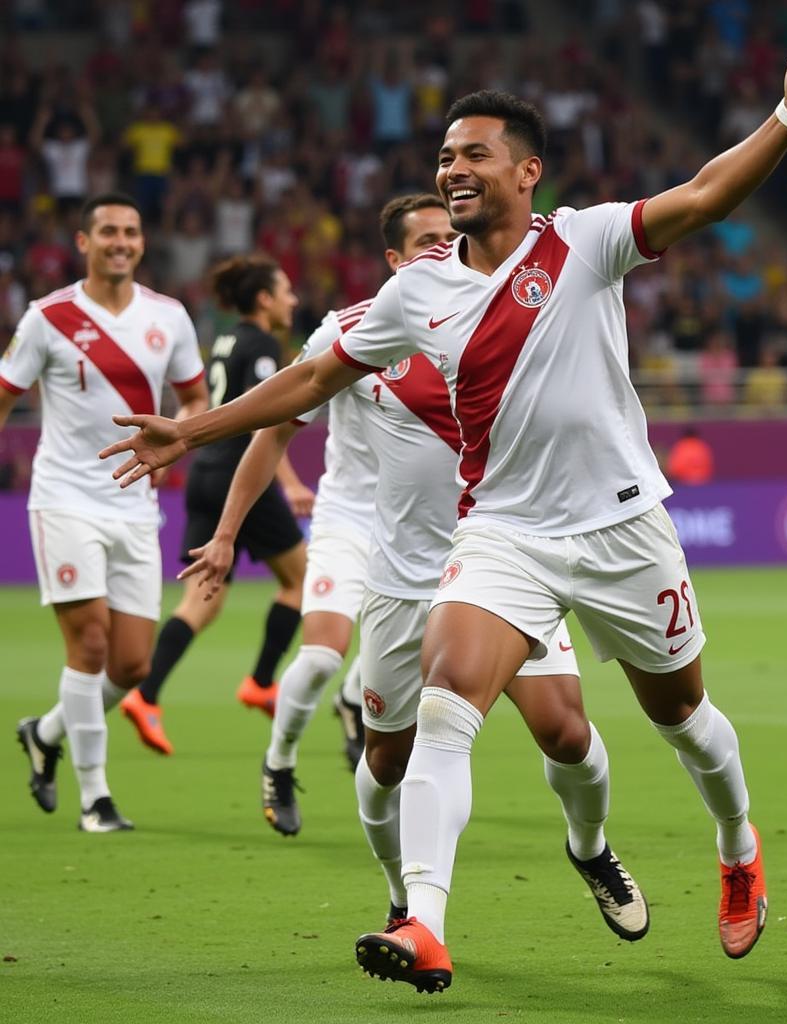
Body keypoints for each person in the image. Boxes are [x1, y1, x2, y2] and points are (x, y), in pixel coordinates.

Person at [101, 31, 787, 984]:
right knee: (448, 704)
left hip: (620, 523)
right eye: (445, 156)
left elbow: (705, 195)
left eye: (474, 154)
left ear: (526, 170)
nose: (453, 169)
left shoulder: (585, 241)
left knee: (682, 716)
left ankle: (738, 847)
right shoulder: (418, 288)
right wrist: (188, 431)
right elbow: (312, 378)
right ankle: (426, 922)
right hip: (504, 532)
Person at [183, 196, 649, 969]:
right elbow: (276, 426)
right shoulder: (357, 335)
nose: (451, 245)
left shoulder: (524, 321)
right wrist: (228, 530)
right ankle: (403, 898)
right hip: (402, 583)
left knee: (567, 732)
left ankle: (591, 847)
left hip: (509, 558)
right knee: (386, 763)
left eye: (453, 233)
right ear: (399, 262)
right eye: (431, 240)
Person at [2, 192, 206, 831]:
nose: (121, 241)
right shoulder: (48, 317)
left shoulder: (168, 317)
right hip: (64, 499)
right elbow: (5, 395)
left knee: (132, 665)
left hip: (135, 504)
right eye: (109, 231)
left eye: (132, 231)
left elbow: (196, 398)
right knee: (88, 643)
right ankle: (96, 798)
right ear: (84, 243)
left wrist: (175, 444)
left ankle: (46, 732)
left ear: (143, 243)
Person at [119, 255, 313, 756]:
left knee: (202, 600)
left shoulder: (225, 340)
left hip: (204, 472)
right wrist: (287, 481)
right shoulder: (265, 345)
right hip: (238, 472)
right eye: (286, 289)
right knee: (302, 581)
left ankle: (146, 694)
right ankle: (263, 680)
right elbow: (268, 417)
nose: (293, 299)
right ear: (265, 299)